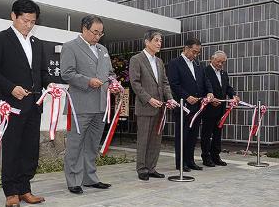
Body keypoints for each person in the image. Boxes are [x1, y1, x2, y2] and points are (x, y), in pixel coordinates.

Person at [0, 0, 52, 207]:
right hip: (12, 105)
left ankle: (25, 189)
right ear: (13, 16)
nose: (29, 25)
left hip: (34, 104)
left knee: (30, 149)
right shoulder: (0, 39)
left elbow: (42, 73)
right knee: (12, 147)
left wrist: (50, 86)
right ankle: (11, 191)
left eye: (32, 21)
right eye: (25, 20)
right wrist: (11, 87)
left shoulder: (37, 43)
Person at [60, 15, 120, 194]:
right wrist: (87, 81)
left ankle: (90, 178)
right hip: (80, 104)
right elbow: (67, 73)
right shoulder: (70, 47)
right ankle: (74, 180)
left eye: (101, 33)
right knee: (75, 144)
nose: (98, 37)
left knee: (92, 144)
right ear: (84, 29)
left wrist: (114, 82)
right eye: (95, 32)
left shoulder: (102, 49)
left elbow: (109, 73)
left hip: (101, 105)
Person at [129, 30, 177, 181]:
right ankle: (142, 169)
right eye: (156, 40)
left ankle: (151, 168)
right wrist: (148, 99)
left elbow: (164, 83)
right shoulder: (137, 59)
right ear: (147, 41)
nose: (159, 44)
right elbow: (135, 83)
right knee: (144, 139)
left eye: (160, 41)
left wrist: (169, 98)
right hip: (145, 106)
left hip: (160, 107)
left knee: (156, 140)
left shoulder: (159, 61)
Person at [167, 38, 214, 172]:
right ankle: (181, 163)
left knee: (193, 135)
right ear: (186, 48)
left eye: (198, 53)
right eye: (194, 52)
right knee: (182, 135)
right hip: (184, 106)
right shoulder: (175, 63)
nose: (196, 55)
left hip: (197, 106)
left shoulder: (198, 64)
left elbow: (205, 80)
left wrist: (210, 92)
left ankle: (190, 161)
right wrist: (186, 96)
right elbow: (174, 84)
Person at [201, 51, 239, 167]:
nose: (220, 64)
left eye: (223, 62)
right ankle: (206, 157)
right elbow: (202, 88)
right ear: (211, 59)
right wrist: (210, 99)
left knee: (217, 134)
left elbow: (227, 87)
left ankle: (215, 156)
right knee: (206, 134)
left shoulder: (223, 73)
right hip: (209, 108)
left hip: (221, 109)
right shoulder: (205, 71)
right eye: (218, 61)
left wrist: (233, 95)